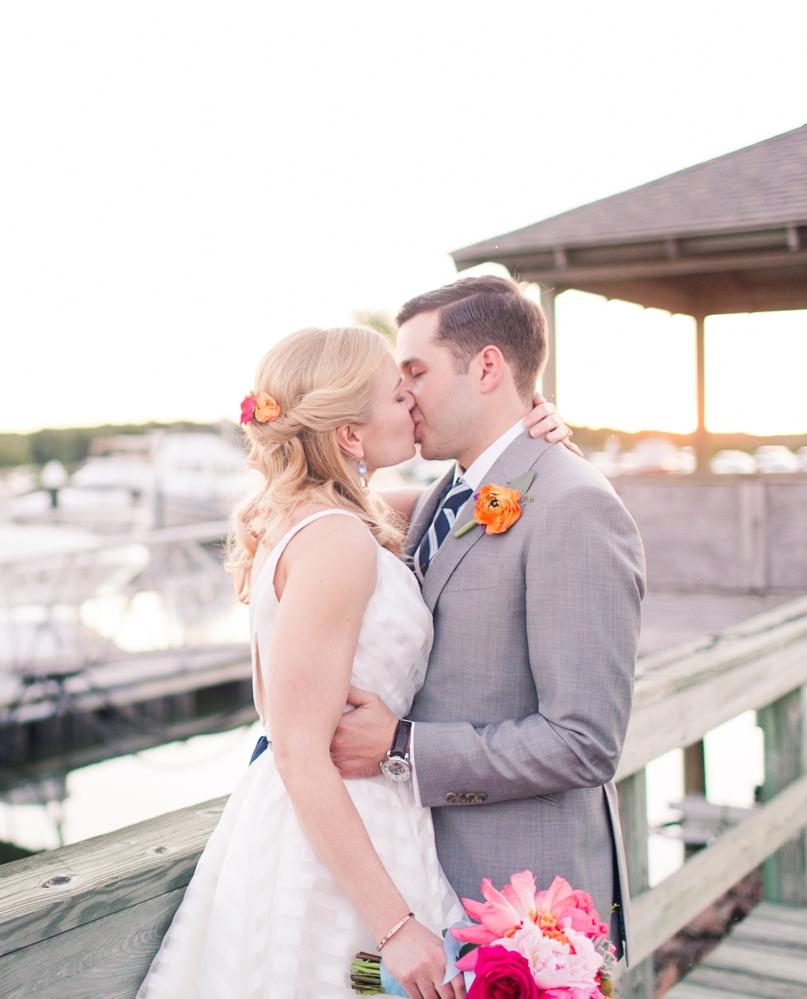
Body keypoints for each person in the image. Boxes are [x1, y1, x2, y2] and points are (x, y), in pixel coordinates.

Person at [139, 315, 582, 999]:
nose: (412, 400)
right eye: (396, 392)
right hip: (337, 837)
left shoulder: (336, 516)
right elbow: (298, 750)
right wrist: (396, 923)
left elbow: (465, 503)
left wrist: (530, 438)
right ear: (350, 433)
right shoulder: (337, 540)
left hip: (370, 811)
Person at [331, 275, 645, 956]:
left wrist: (403, 746)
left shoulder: (573, 505)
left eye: (415, 370)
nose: (404, 392)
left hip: (530, 913)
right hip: (436, 888)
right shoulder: (448, 492)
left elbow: (585, 739)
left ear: (488, 367)